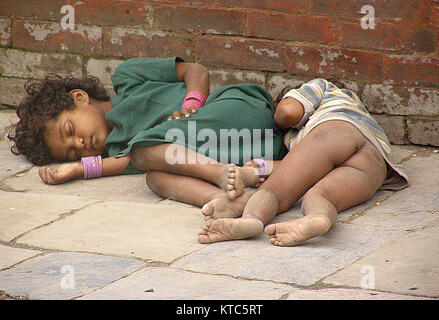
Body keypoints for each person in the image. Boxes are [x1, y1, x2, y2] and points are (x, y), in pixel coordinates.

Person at [8, 57, 287, 210]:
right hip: (249, 149)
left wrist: (192, 104)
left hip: (236, 110)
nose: (79, 144)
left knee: (143, 152)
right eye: (72, 152)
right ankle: (226, 200)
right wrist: (75, 168)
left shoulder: (128, 78)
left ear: (80, 98)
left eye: (70, 130)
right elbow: (131, 160)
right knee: (155, 178)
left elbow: (196, 70)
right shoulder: (120, 149)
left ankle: (218, 174)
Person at [198, 78, 409, 246]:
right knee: (320, 196)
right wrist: (253, 171)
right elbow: (298, 171)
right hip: (376, 163)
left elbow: (289, 112)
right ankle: (318, 218)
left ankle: (251, 219)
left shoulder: (322, 87)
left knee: (275, 192)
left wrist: (277, 118)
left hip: (336, 131)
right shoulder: (360, 116)